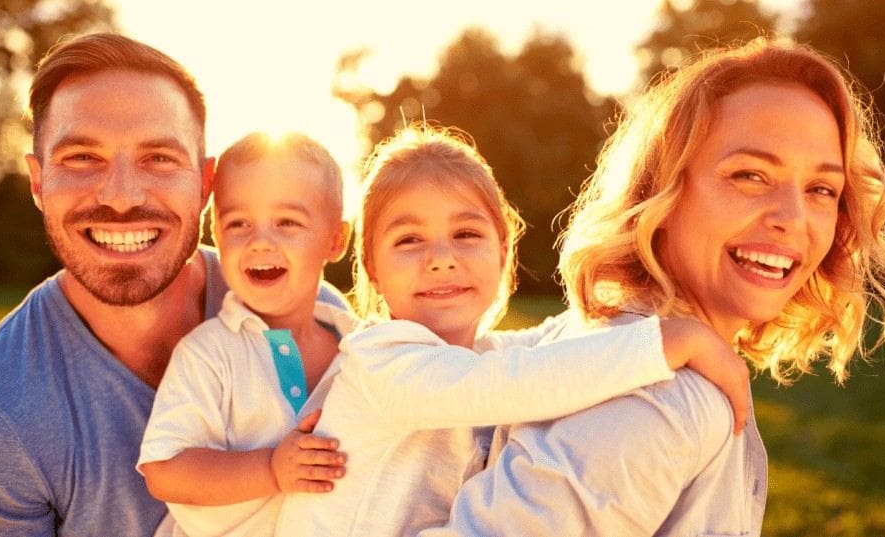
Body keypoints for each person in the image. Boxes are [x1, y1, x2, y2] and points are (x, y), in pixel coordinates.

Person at [422, 38, 885, 536]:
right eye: (750, 175)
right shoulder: (659, 402)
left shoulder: (588, 342)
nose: (793, 218)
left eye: (822, 189)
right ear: (662, 190)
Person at [0, 33, 345, 537]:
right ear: (37, 181)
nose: (121, 197)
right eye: (82, 158)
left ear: (204, 184)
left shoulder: (309, 313)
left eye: (158, 157)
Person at [274, 125, 751, 537]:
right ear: (373, 270)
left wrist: (636, 307)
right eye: (409, 240)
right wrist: (672, 342)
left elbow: (548, 342)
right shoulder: (382, 360)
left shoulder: (476, 353)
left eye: (466, 234)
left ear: (503, 252)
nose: (441, 257)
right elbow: (524, 378)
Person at [137, 132, 356, 537]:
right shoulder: (209, 353)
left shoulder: (360, 351)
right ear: (216, 237)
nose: (259, 242)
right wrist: (270, 469)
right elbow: (164, 471)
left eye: (287, 222)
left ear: (335, 239)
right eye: (238, 223)